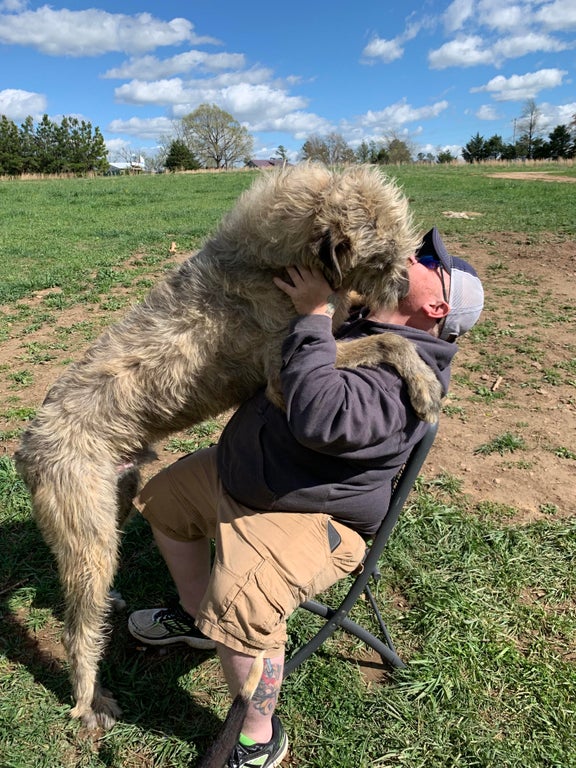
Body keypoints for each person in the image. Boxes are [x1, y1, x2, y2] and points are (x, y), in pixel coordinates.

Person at [128, 227, 484, 768]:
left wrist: (315, 316)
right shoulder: (364, 315)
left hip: (312, 514)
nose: (414, 255)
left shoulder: (407, 380)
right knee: (165, 500)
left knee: (242, 601)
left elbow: (322, 415)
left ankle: (259, 733)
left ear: (437, 305)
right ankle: (197, 618)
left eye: (429, 261)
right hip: (251, 475)